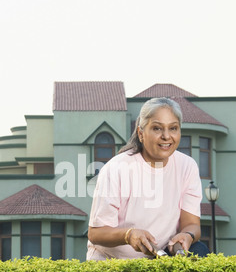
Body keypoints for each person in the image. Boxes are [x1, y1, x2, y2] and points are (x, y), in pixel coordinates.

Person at [87, 97, 210, 260]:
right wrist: (129, 235)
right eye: (157, 128)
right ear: (141, 133)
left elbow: (192, 224)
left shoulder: (187, 166)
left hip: (158, 258)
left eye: (173, 128)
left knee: (199, 250)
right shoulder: (117, 168)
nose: (166, 136)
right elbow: (96, 233)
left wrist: (187, 235)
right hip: (112, 261)